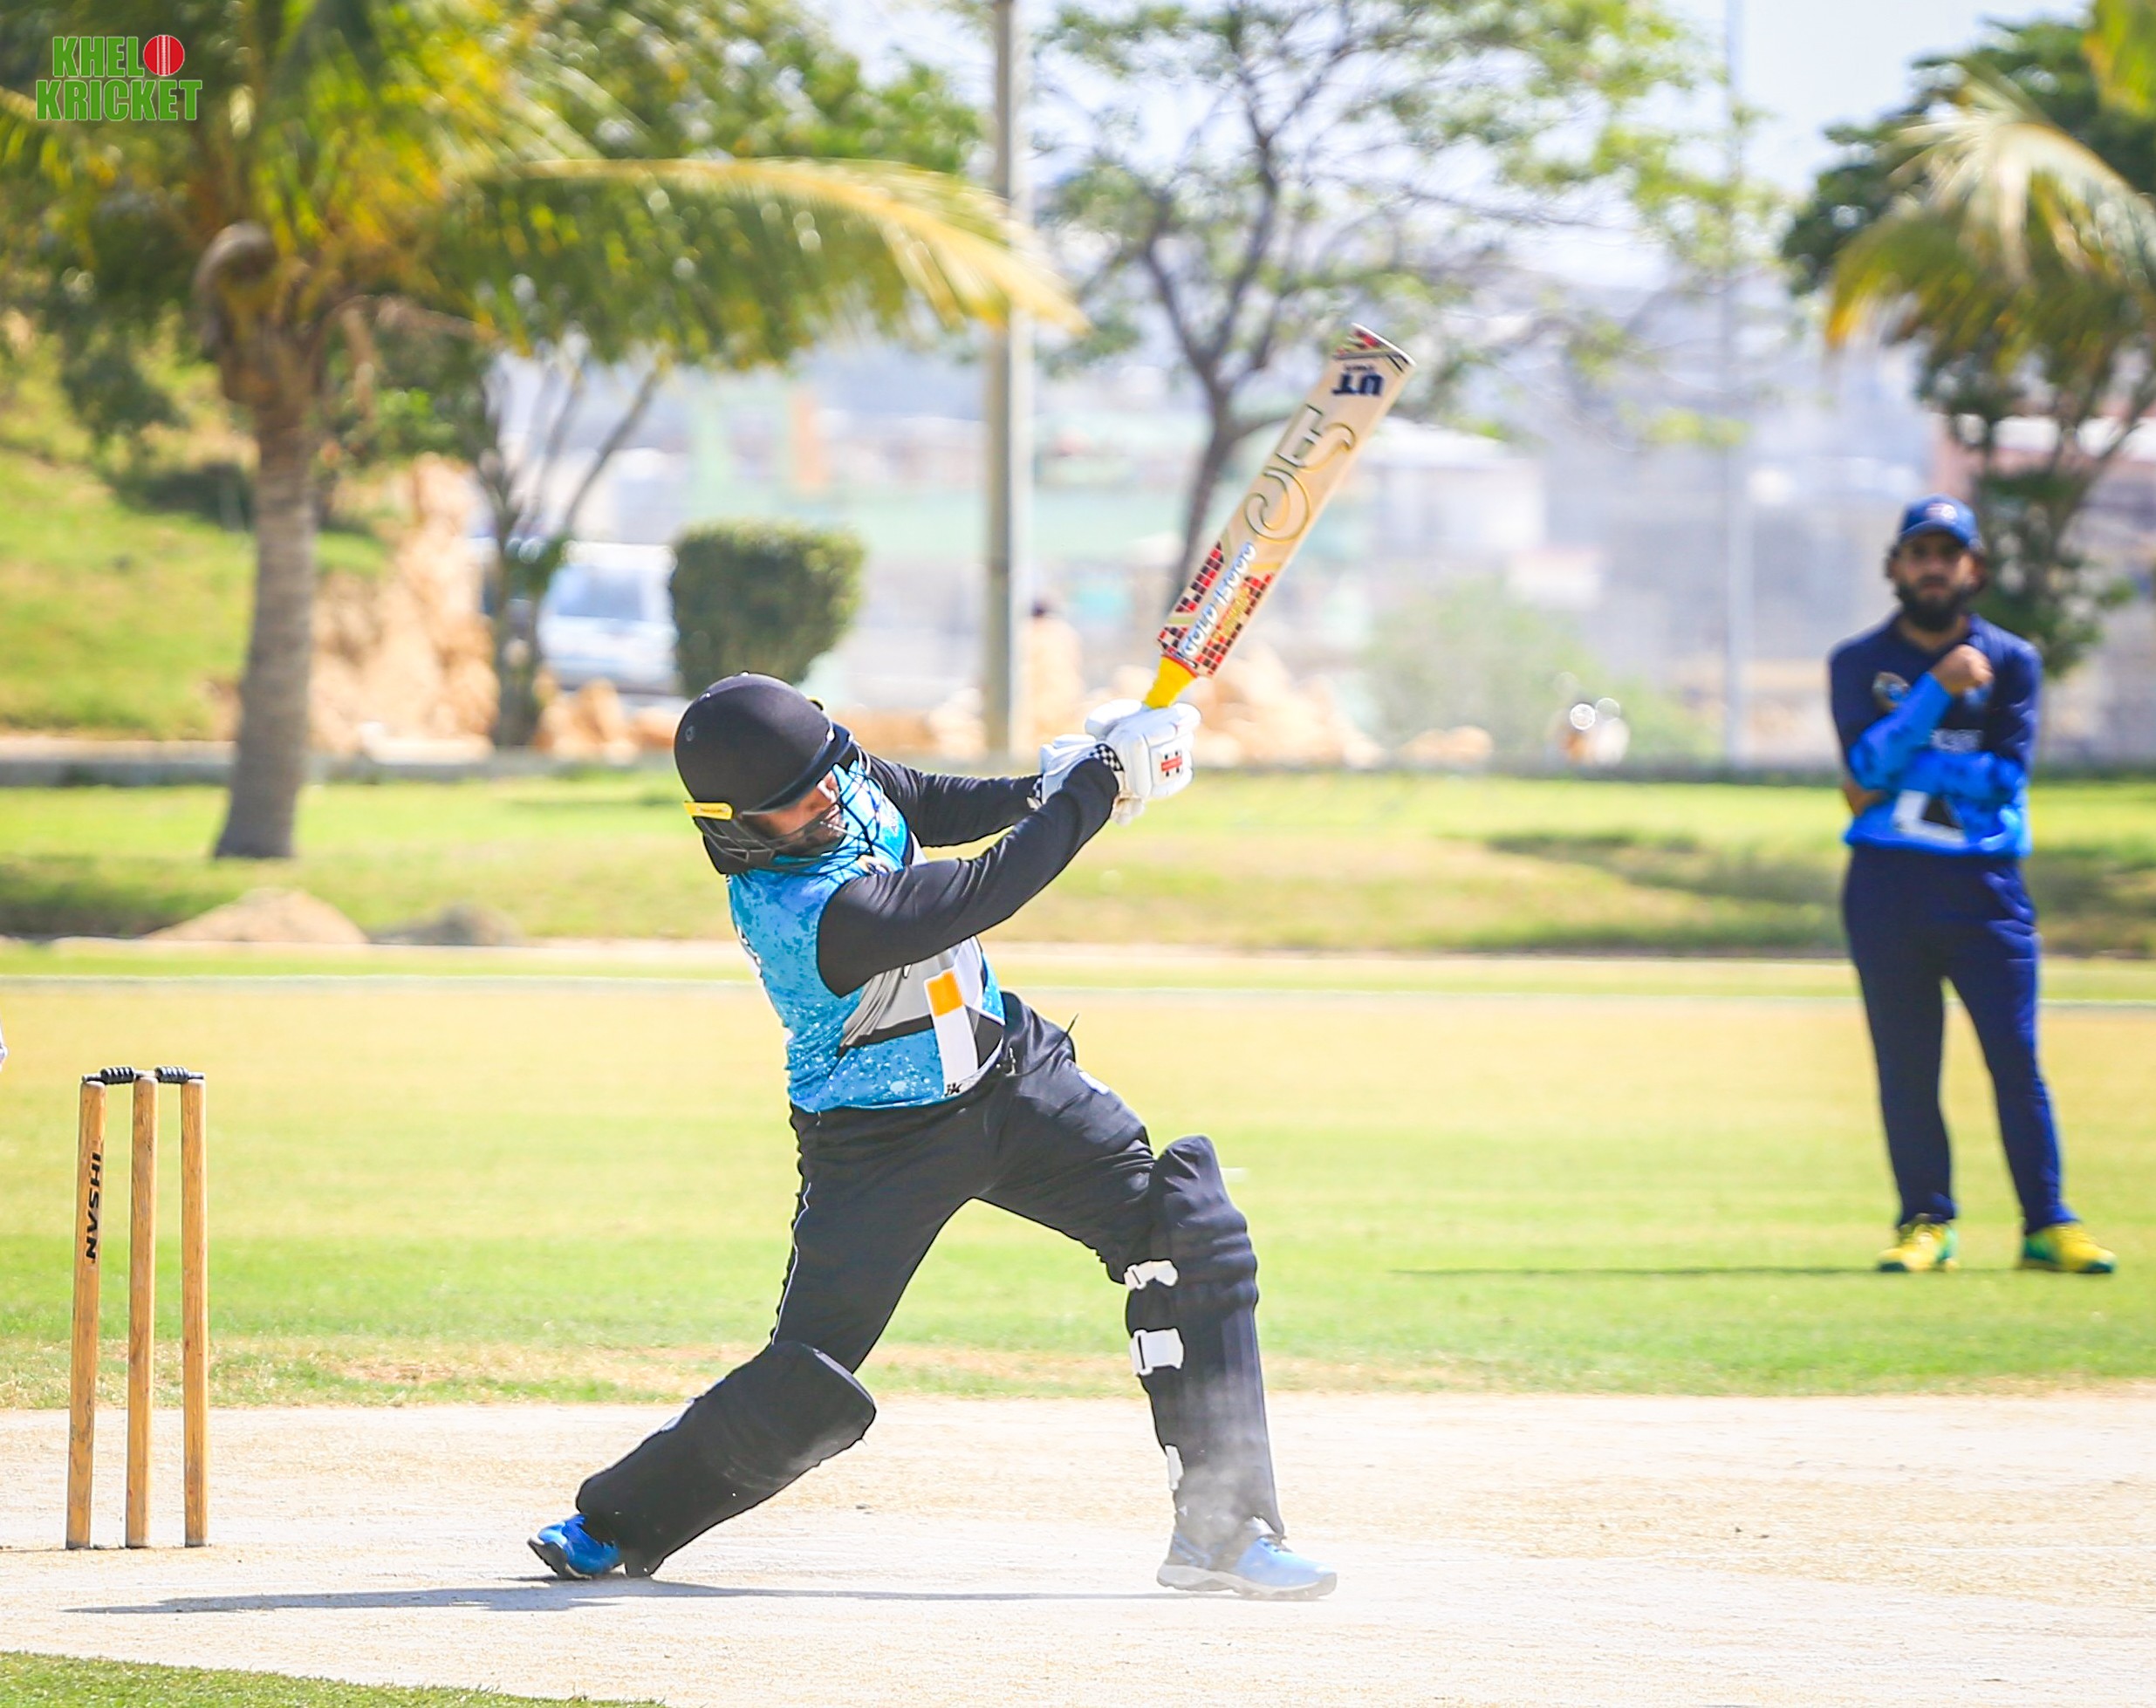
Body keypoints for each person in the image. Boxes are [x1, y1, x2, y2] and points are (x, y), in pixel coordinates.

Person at [527, 673, 1336, 1599]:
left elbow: (927, 800)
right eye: (799, 799)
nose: (830, 796)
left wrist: (1046, 785)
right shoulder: (804, 913)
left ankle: (1222, 1530)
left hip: (1015, 1078)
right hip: (881, 1141)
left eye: (829, 774)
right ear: (737, 826)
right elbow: (980, 891)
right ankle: (613, 1523)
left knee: (1188, 1232)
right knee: (807, 1380)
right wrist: (1096, 786)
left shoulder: (831, 780)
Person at [1828, 495, 2116, 1276]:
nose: (1932, 568)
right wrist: (1938, 689)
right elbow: (1862, 771)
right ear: (1894, 567)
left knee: (2015, 1060)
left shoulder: (2012, 661)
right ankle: (1925, 1221)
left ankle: (2046, 1223)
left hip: (1985, 888)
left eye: (1947, 554)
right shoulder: (1857, 663)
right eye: (1918, 553)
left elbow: (2000, 780)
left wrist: (1902, 765)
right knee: (1907, 1064)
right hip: (1886, 888)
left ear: (1973, 569)